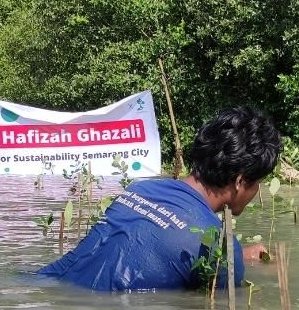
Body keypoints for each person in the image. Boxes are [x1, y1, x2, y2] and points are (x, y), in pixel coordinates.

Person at [38, 106, 281, 291]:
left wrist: (240, 255)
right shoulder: (219, 248)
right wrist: (233, 258)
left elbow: (156, 239)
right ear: (240, 182)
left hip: (48, 283)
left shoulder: (141, 189)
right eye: (258, 183)